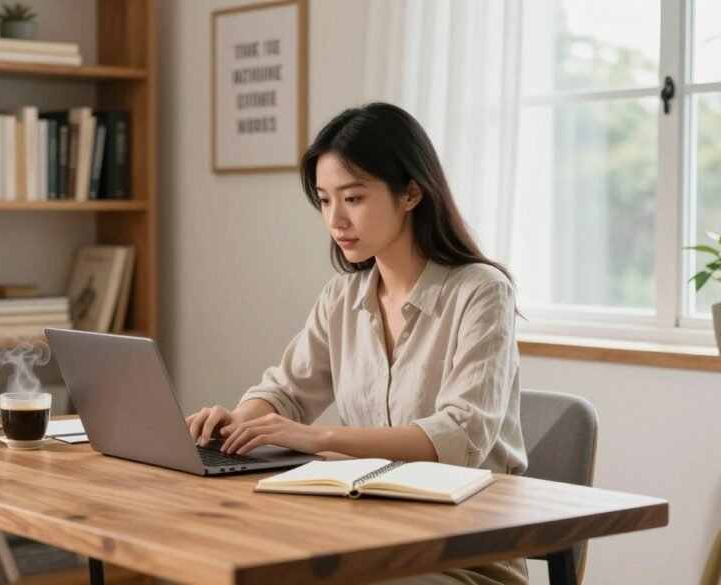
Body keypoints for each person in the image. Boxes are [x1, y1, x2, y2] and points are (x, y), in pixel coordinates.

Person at [186, 102, 527, 585]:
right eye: (324, 200)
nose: (335, 219)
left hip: (463, 554)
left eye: (353, 198)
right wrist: (237, 424)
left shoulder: (482, 291)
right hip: (364, 537)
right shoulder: (342, 296)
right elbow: (286, 392)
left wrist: (316, 437)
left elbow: (460, 436)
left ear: (410, 192)